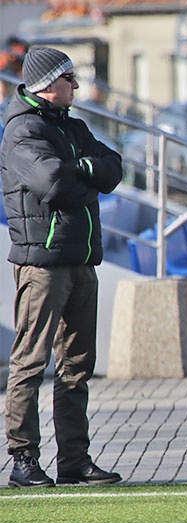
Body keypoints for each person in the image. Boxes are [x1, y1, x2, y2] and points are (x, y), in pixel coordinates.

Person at [1, 47, 123, 487]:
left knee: (76, 365)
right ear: (49, 84)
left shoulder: (74, 127)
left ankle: (74, 459)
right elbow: (53, 184)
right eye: (69, 78)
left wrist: (82, 169)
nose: (76, 85)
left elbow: (113, 169)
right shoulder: (22, 131)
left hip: (80, 259)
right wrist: (83, 175)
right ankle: (24, 459)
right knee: (30, 363)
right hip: (43, 264)